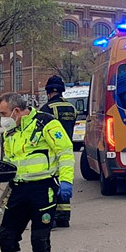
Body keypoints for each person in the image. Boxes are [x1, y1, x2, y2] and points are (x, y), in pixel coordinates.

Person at [0, 92, 73, 252]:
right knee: (7, 237)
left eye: (4, 113)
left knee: (39, 240)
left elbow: (65, 152)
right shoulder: (9, 131)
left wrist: (66, 181)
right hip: (19, 191)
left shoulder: (46, 124)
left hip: (43, 191)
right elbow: (10, 162)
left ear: (17, 111)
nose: (2, 118)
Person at [39, 75, 78, 228]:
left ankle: (53, 216)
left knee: (52, 183)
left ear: (49, 92)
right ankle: (64, 217)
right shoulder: (72, 108)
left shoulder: (47, 109)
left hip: (52, 151)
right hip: (67, 149)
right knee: (64, 180)